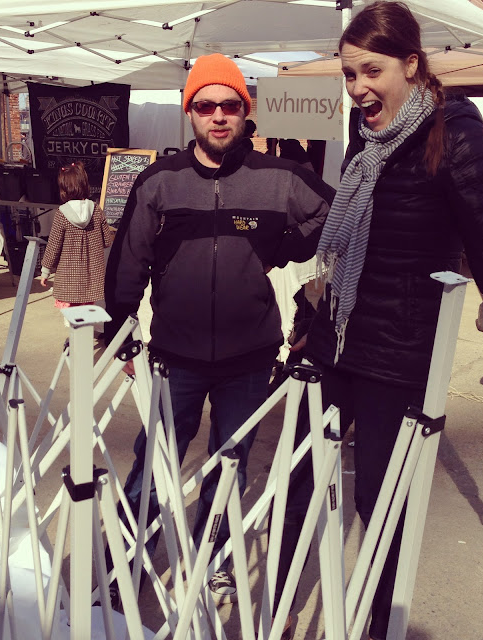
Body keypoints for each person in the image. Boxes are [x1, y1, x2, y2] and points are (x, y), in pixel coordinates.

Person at [273, 4, 483, 640]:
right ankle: (277, 614)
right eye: (349, 74)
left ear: (412, 64)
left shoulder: (456, 134)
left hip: (398, 354)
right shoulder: (366, 135)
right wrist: (313, 318)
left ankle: (380, 628)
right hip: (337, 340)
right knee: (296, 481)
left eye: (372, 71)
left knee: (379, 500)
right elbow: (345, 243)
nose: (358, 87)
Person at [104, 52, 335, 603]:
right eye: (205, 105)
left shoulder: (279, 178)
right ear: (190, 112)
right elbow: (129, 259)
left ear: (244, 111)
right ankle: (128, 563)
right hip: (175, 356)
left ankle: (213, 559)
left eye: (229, 105)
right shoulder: (159, 182)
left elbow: (333, 214)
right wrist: (121, 331)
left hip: (249, 358)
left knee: (230, 466)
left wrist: (284, 247)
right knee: (154, 462)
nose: (218, 115)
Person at [40, 162, 113, 325]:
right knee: (86, 314)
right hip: (92, 277)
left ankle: (75, 335)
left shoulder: (61, 214)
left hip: (68, 279)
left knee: (71, 317)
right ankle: (84, 333)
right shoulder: (96, 210)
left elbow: (53, 246)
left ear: (63, 188)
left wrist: (45, 271)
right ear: (85, 184)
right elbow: (107, 241)